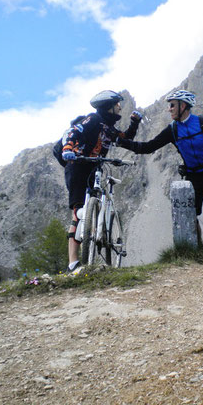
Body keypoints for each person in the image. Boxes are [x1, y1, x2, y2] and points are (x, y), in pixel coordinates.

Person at [116, 89, 203, 244]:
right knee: (190, 215)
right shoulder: (172, 130)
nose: (169, 109)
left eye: (172, 105)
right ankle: (198, 252)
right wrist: (123, 143)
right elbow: (148, 147)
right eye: (169, 106)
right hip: (194, 176)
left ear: (183, 105)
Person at [61, 90, 142, 273]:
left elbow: (125, 139)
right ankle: (73, 263)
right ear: (108, 107)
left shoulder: (109, 129)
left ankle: (94, 235)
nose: (120, 107)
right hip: (77, 167)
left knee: (90, 205)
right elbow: (75, 131)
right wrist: (68, 148)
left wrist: (134, 123)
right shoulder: (93, 120)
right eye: (117, 104)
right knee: (78, 212)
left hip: (93, 169)